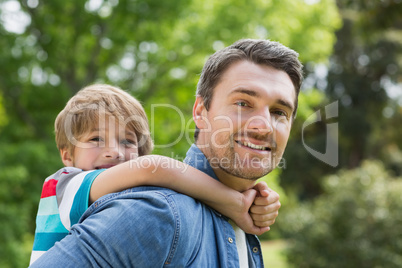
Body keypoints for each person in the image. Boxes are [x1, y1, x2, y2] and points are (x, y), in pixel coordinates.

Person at [30, 38, 302, 267]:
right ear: (200, 112)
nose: (263, 126)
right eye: (243, 103)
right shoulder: (159, 213)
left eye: (279, 112)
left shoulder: (238, 223)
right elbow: (156, 167)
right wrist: (235, 201)